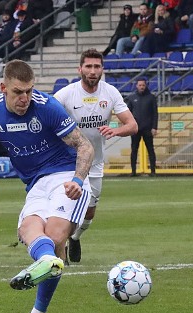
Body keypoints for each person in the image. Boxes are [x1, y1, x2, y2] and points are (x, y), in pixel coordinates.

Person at [0, 60, 94, 313]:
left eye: (28, 91)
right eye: (17, 92)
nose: (25, 98)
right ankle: (47, 260)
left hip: (66, 176)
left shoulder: (47, 106)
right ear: (3, 88)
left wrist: (77, 179)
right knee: (28, 230)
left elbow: (84, 145)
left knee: (54, 236)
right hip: (36, 185)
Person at [53, 49, 137, 263]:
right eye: (88, 66)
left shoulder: (110, 93)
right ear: (79, 69)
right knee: (63, 207)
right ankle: (59, 253)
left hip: (95, 163)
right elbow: (48, 114)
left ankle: (75, 236)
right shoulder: (66, 94)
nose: (92, 71)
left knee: (89, 213)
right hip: (66, 162)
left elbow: (133, 125)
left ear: (102, 70)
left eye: (97, 66)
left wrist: (115, 130)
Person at [126, 77, 158, 177]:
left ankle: (153, 171)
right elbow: (128, 113)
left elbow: (155, 114)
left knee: (150, 150)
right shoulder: (131, 98)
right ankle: (133, 171)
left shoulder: (151, 97)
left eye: (143, 85)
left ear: (146, 85)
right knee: (134, 150)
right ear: (136, 86)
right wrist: (128, 126)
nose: (141, 87)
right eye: (140, 85)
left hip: (148, 128)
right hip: (135, 129)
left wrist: (154, 127)